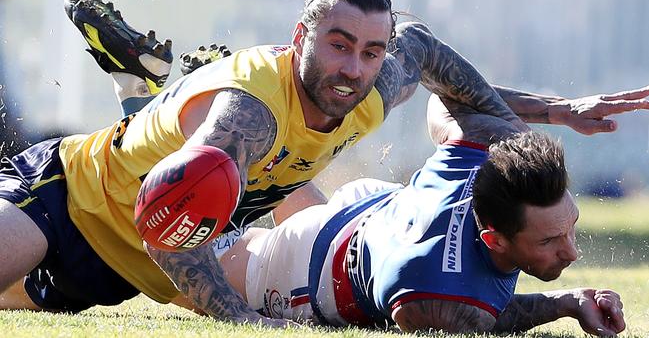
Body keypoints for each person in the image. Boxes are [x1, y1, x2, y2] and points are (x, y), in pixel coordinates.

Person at [0, 0, 644, 326]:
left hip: (125, 266)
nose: (353, 68)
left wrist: (557, 112)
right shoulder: (251, 113)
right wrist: (253, 324)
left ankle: (140, 89)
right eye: (338, 44)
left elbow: (428, 57)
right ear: (301, 34)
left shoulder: (376, 80)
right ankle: (144, 93)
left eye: (370, 51)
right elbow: (170, 233)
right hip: (71, 198)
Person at [214, 96, 625, 336]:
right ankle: (198, 139)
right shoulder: (436, 300)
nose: (571, 253)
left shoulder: (485, 160)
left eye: (569, 228)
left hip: (379, 210)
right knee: (195, 270)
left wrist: (559, 112)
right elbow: (489, 315)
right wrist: (563, 303)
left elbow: (448, 98)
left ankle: (243, 154)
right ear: (493, 239)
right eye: (549, 242)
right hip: (315, 268)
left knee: (273, 181)